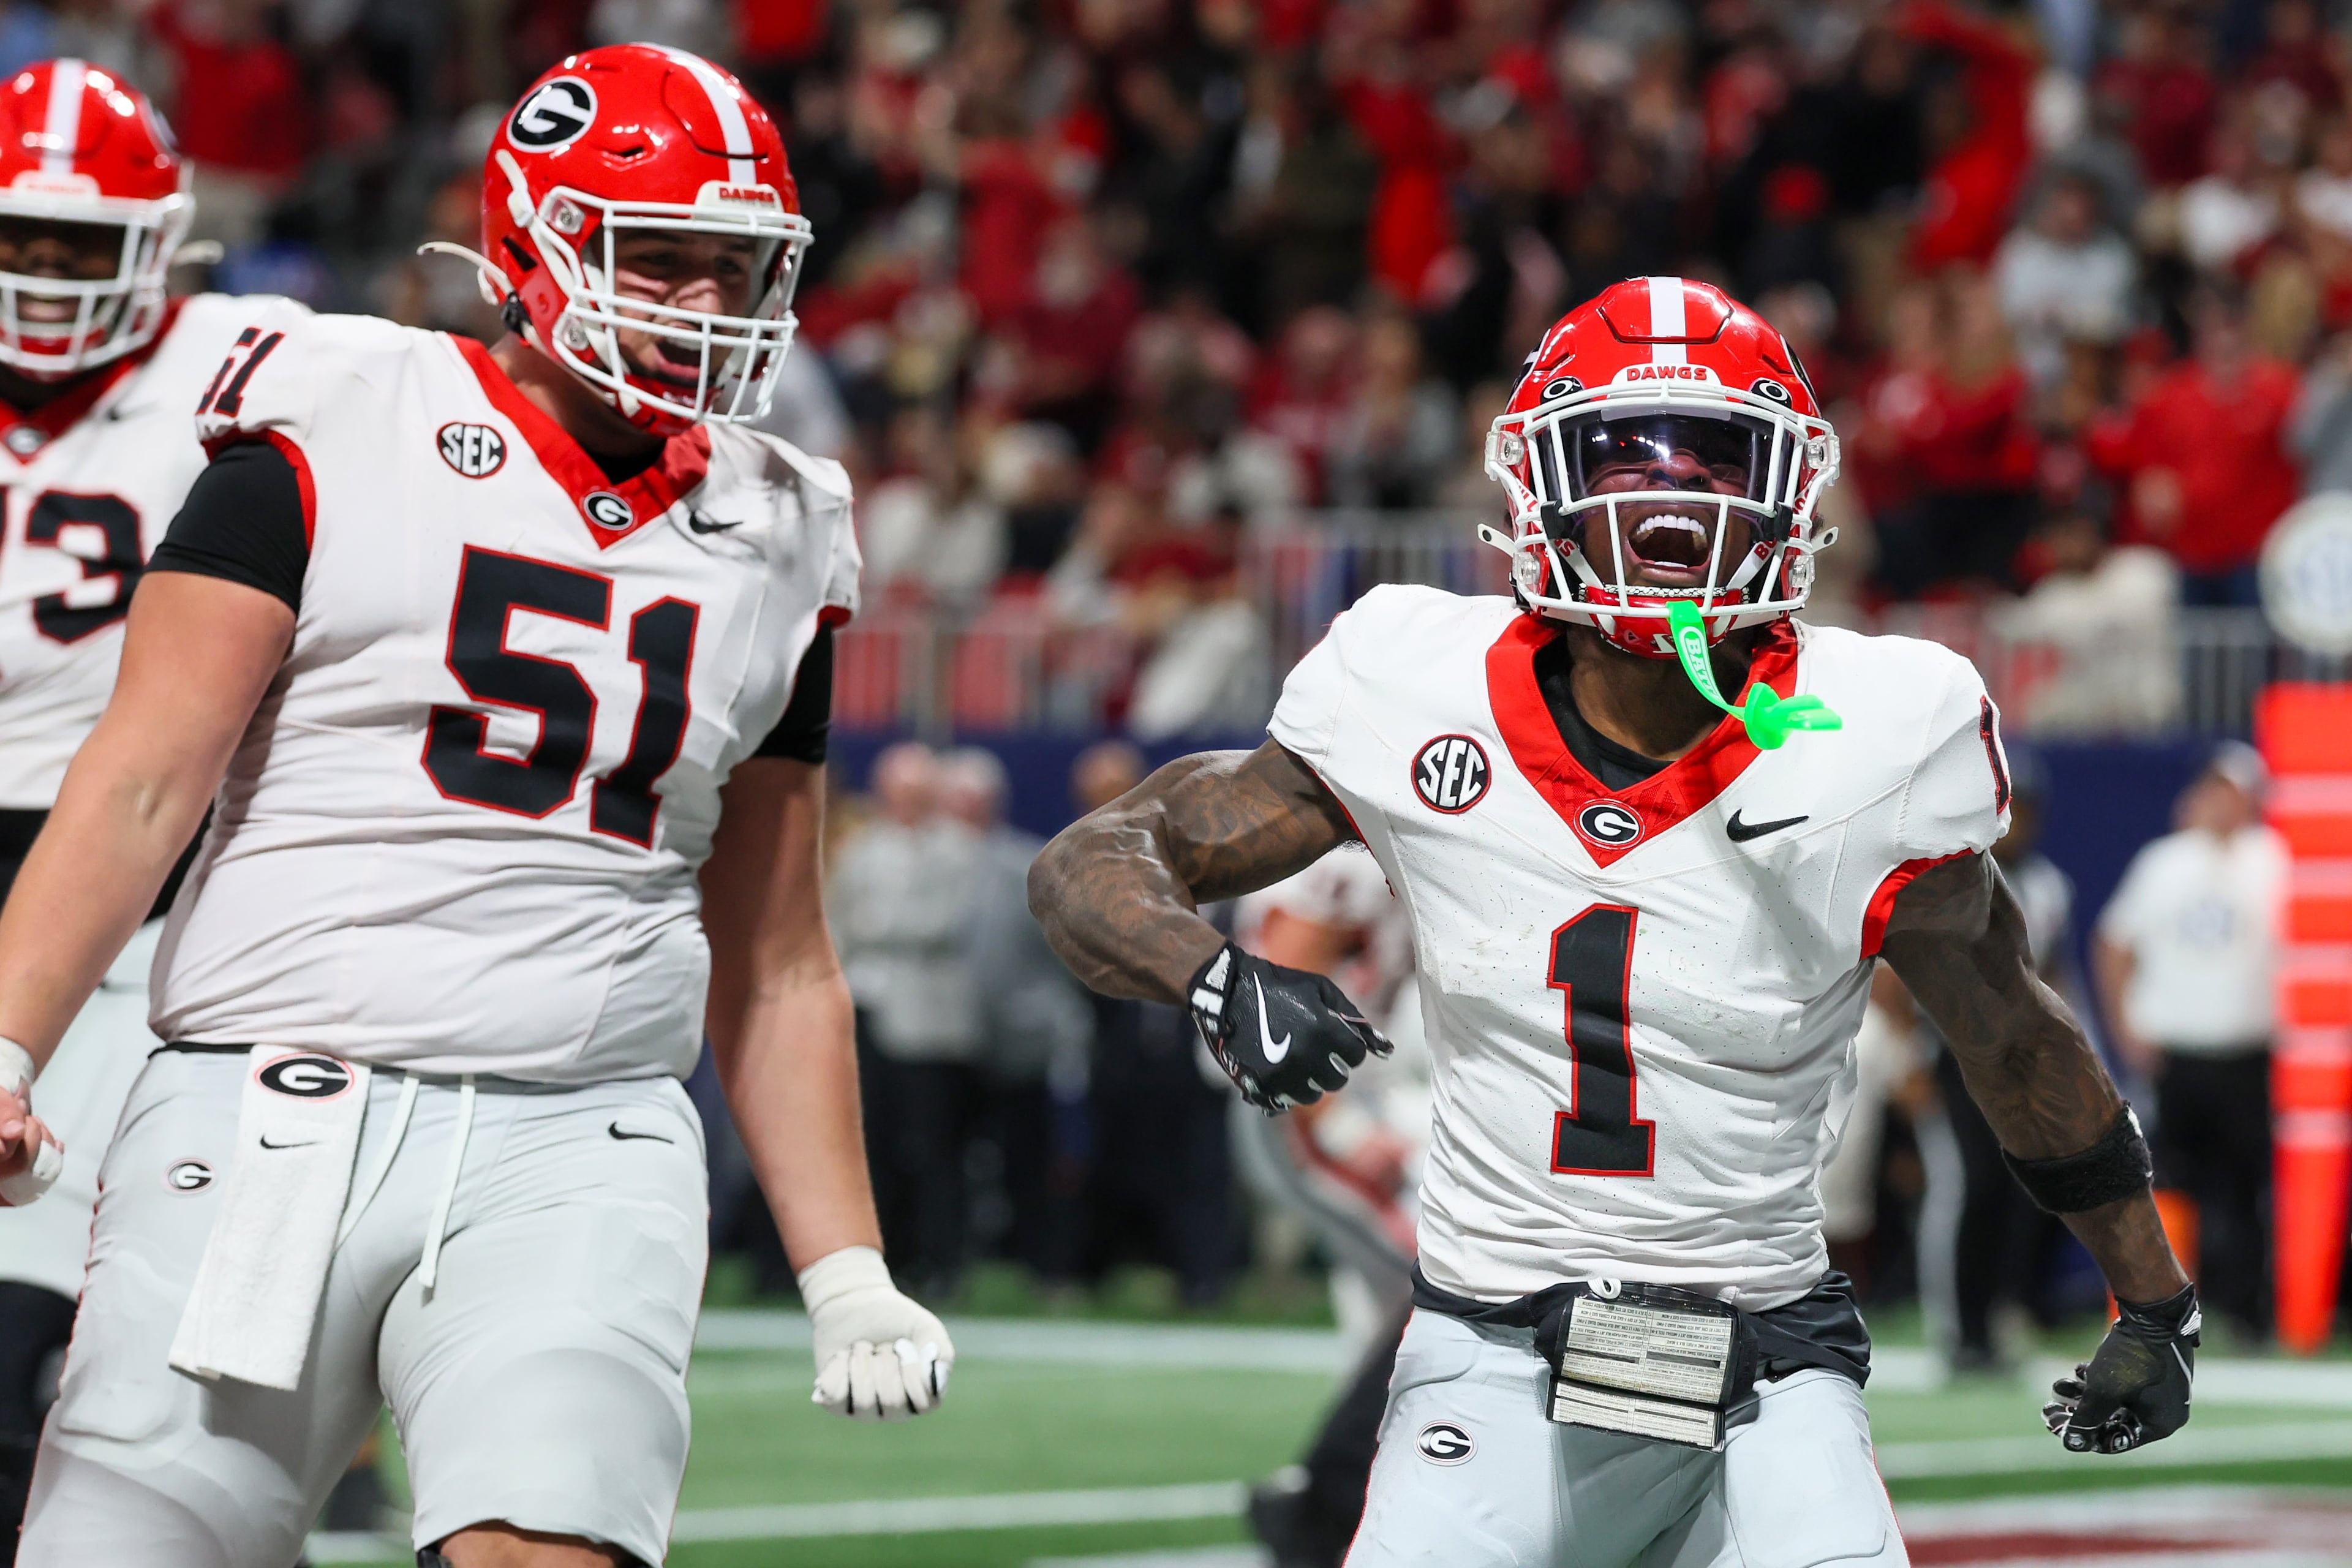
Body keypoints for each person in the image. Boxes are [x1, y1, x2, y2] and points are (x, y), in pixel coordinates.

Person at [1031, 277, 2199, 1567]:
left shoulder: (1875, 727)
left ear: (1790, 486)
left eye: (1717, 457)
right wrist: (1213, 980)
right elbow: (1104, 853)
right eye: (1622, 454)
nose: (1671, 499)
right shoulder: (1412, 679)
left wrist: (2153, 1297)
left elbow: (2014, 1038)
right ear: (1538, 479)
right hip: (1489, 1343)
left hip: (1766, 1358)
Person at [0, 45, 952, 1568]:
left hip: (579, 1135)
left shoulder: (785, 528)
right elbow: (139, 783)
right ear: (532, 241)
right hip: (264, 1101)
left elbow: (776, 950)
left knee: (542, 1546)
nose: (705, 304)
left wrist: (845, 1263)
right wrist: (9, 1039)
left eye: (737, 266)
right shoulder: (336, 412)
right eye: (664, 260)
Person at [0, 59, 307, 1561]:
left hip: (136, 898)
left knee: (59, 1354)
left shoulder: (267, 359)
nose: (46, 278)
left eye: (80, 245)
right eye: (20, 239)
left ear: (164, 241)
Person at [2094, 742, 2285, 1344]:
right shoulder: (2166, 861)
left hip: (2251, 1051)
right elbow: (2115, 943)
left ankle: (2247, 1312)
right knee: (2167, 1184)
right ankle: (2161, 1309)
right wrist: (2126, 1028)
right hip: (2179, 1052)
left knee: (2248, 1188)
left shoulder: (2275, 859)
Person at [830, 741, 984, 1296]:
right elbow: (840, 924)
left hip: (931, 1027)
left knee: (936, 1147)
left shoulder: (958, 851)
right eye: (896, 792)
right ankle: (882, 1257)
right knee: (873, 1141)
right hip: (869, 1011)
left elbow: (943, 924)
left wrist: (881, 927)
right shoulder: (861, 849)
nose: (904, 803)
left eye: (915, 792)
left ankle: (941, 1262)